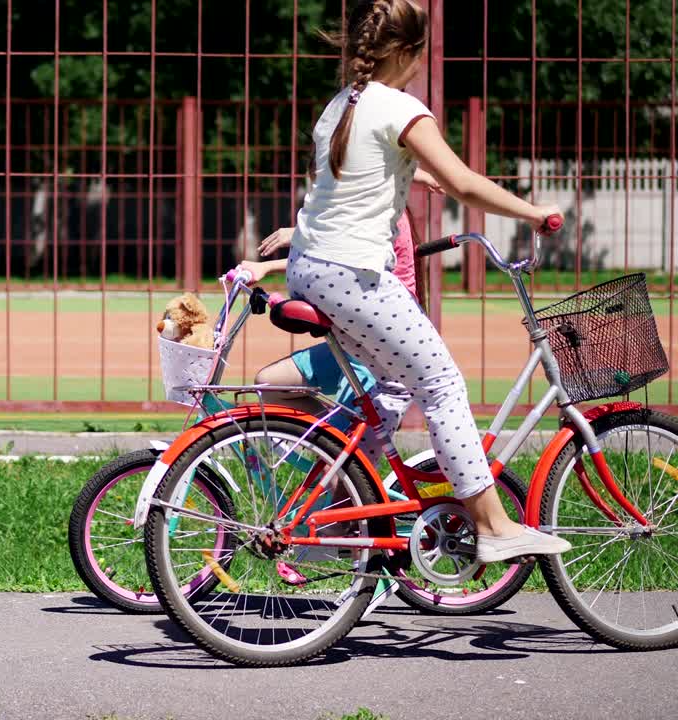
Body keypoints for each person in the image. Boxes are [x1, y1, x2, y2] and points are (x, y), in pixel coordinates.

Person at [280, 0, 569, 563]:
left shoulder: (342, 105)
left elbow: (363, 179)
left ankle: (333, 517)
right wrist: (533, 212)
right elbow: (463, 182)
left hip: (311, 267)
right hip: (354, 272)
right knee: (441, 384)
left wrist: (420, 175)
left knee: (389, 389)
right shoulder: (402, 109)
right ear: (412, 53)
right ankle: (492, 526)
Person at [238, 174, 440, 431]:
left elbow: (342, 257)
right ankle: (335, 442)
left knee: (440, 393)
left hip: (381, 341)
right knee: (269, 383)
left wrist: (299, 235)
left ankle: (341, 447)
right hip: (354, 340)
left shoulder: (381, 216)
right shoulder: (358, 213)